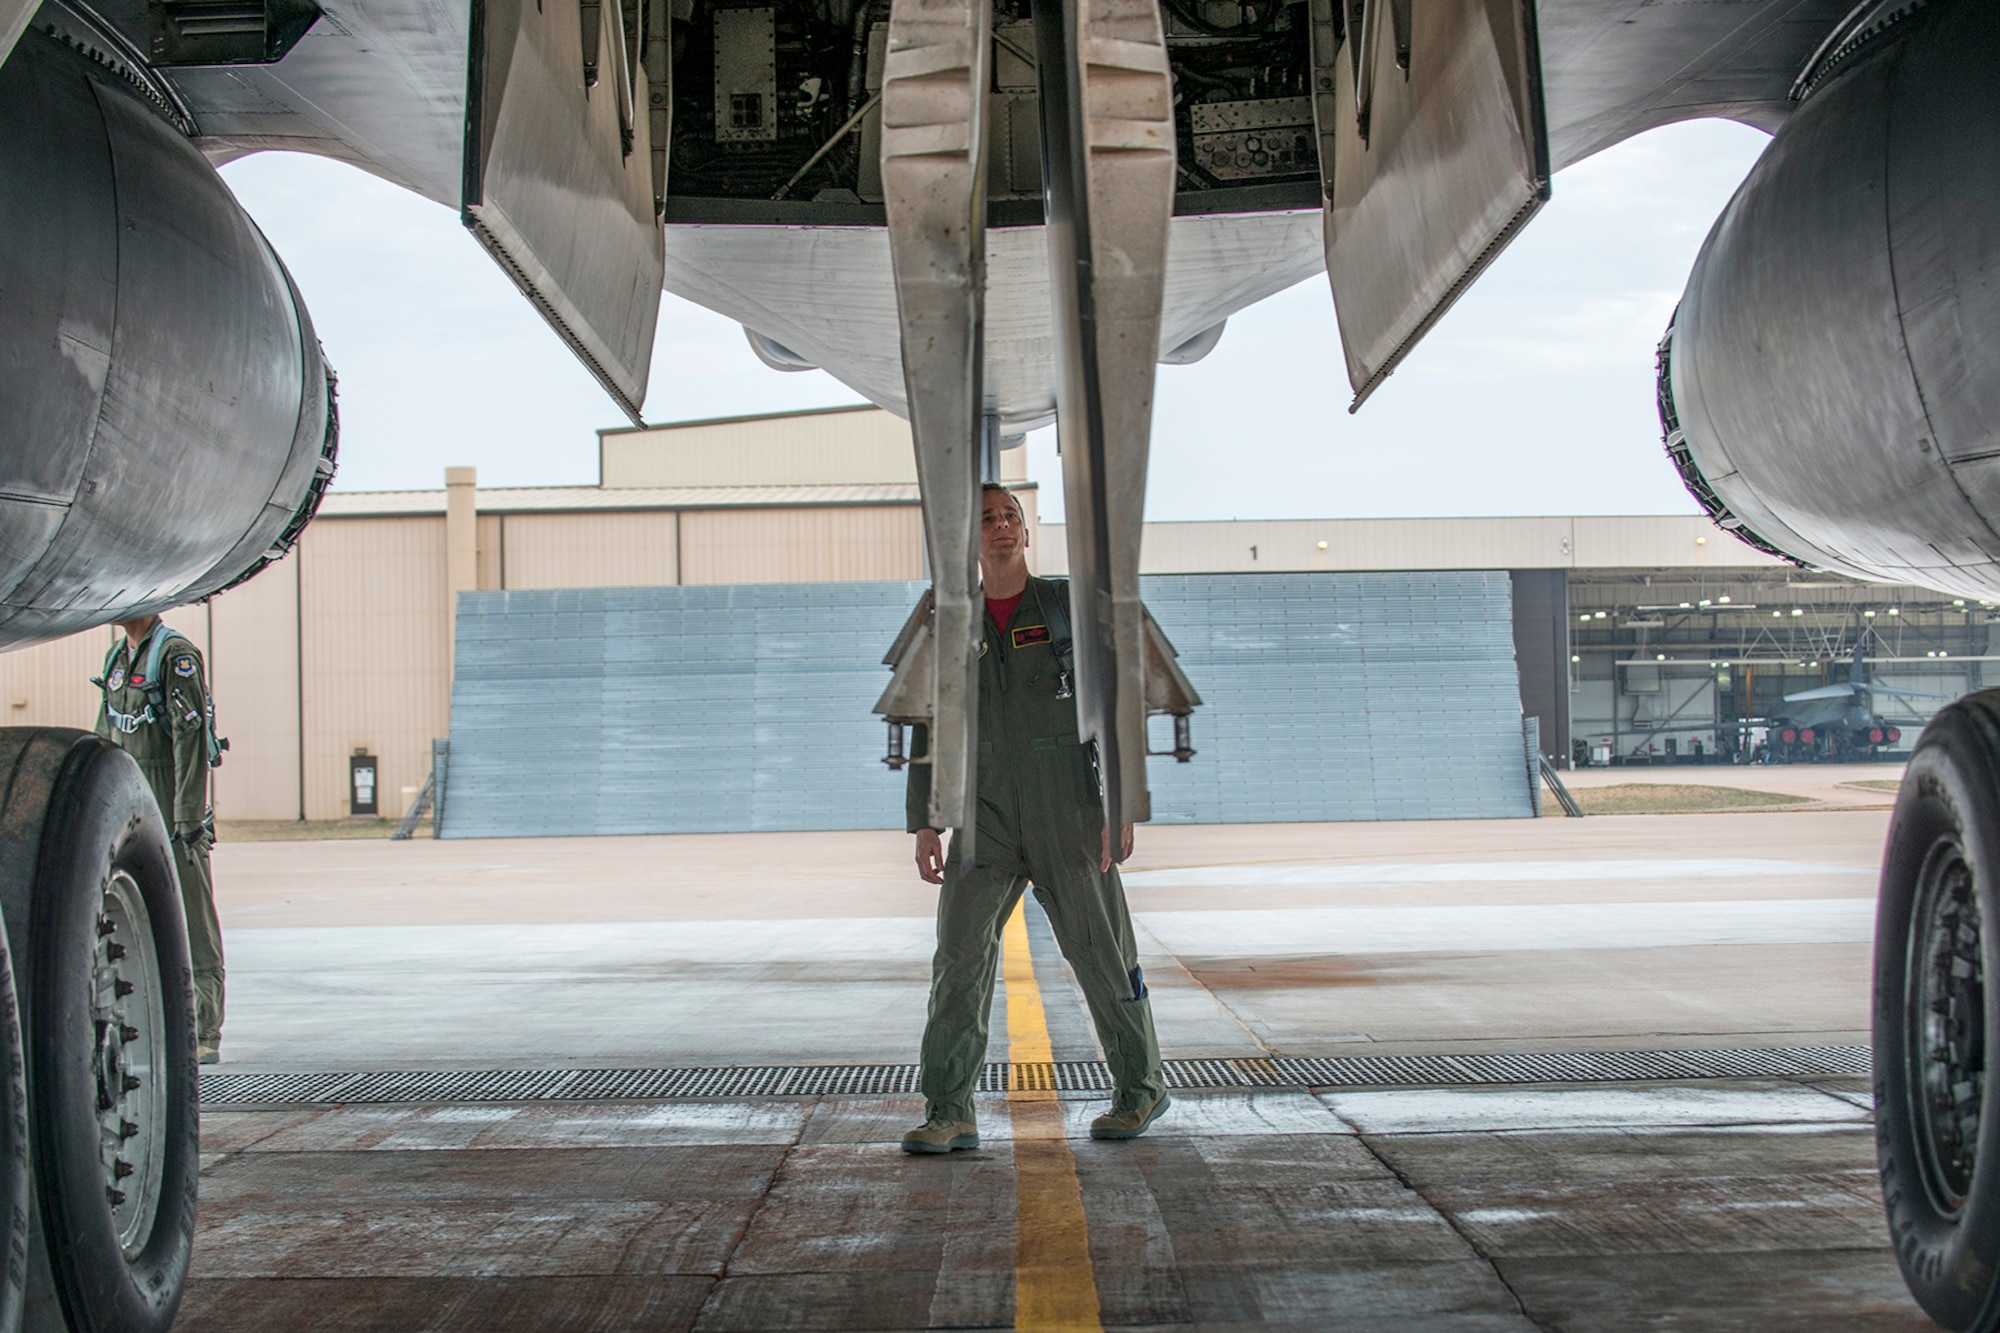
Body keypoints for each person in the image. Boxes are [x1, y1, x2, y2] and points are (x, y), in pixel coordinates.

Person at [901, 483, 1169, 1154]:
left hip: (1068, 807)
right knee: (959, 959)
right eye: (985, 517)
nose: (998, 526)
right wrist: (926, 821)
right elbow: (927, 722)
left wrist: (1122, 801)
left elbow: (1113, 703)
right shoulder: (946, 616)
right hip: (980, 813)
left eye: (1009, 517)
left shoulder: (1065, 607)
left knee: (1102, 952)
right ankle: (949, 1110)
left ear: (1026, 533)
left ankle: (1140, 1090)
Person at [94, 613, 225, 1064]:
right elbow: (105, 733)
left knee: (193, 919)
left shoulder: (175, 656)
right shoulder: (118, 658)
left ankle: (206, 1028)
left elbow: (190, 736)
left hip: (171, 807)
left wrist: (187, 815)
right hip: (132, 806)